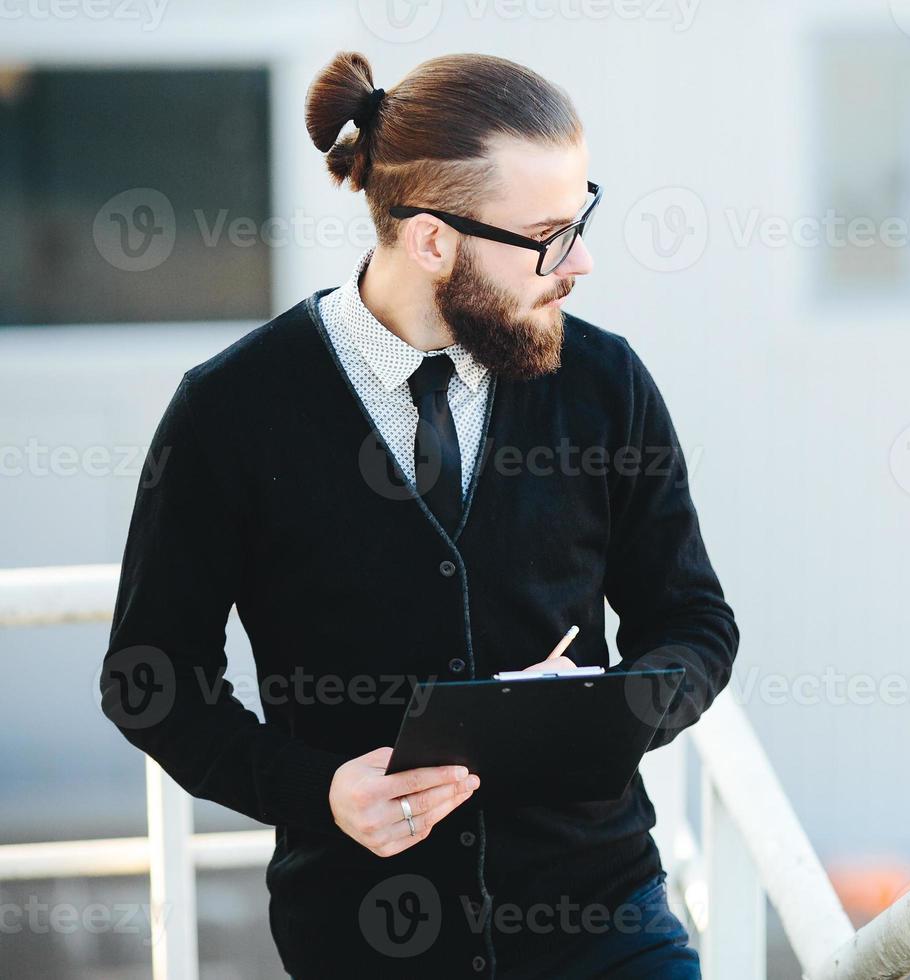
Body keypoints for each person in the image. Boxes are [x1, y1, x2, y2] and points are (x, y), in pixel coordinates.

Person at [99, 50, 737, 978]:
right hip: (361, 939)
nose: (583, 262)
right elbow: (148, 679)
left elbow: (693, 622)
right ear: (432, 240)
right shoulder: (229, 412)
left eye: (581, 216)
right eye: (551, 234)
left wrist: (610, 707)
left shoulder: (607, 383)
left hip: (608, 920)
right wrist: (318, 791)